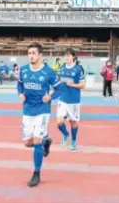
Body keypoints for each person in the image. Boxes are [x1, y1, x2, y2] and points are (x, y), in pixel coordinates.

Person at [17, 43, 61, 187]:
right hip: (28, 110)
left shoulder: (48, 72)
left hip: (42, 110)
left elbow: (59, 88)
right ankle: (46, 141)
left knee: (36, 141)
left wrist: (50, 96)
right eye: (29, 53)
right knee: (27, 143)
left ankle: (36, 173)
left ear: (40, 55)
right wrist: (21, 94)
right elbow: (20, 84)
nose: (31, 55)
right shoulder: (23, 70)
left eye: (34, 53)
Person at [54, 48, 86, 151]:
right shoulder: (62, 67)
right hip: (63, 99)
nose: (67, 57)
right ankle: (65, 134)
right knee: (59, 122)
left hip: (74, 100)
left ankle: (73, 141)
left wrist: (73, 84)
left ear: (73, 57)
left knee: (73, 123)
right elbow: (59, 80)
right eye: (65, 55)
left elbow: (83, 85)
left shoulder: (78, 69)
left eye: (69, 55)